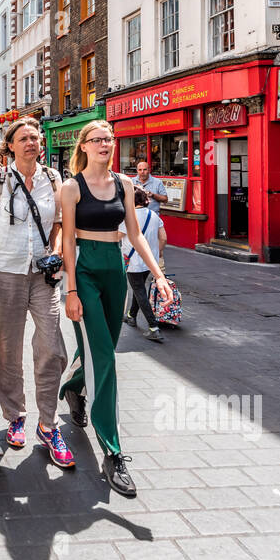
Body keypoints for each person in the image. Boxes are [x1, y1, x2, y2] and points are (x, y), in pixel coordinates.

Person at [57, 120, 173, 498]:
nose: (105, 144)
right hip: (84, 269)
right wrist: (71, 290)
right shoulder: (72, 187)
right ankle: (113, 450)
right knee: (105, 357)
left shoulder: (124, 184)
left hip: (114, 266)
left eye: (109, 138)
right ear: (84, 146)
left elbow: (136, 235)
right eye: (98, 139)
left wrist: (159, 276)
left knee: (101, 344)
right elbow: (68, 241)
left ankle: (75, 387)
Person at [0, 117, 72, 467]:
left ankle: (49, 424)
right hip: (6, 272)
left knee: (50, 345)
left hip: (43, 276)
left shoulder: (52, 178)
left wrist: (57, 251)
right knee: (5, 346)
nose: (32, 142)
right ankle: (15, 414)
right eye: (24, 138)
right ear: (10, 146)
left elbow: (59, 221)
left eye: (35, 137)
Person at [122, 187, 168, 339]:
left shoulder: (128, 216)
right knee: (139, 288)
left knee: (140, 291)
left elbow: (117, 236)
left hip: (133, 261)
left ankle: (153, 327)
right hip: (150, 261)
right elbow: (163, 238)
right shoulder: (154, 215)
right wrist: (159, 252)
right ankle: (131, 316)